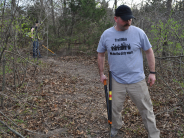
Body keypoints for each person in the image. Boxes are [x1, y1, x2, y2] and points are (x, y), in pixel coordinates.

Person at [97, 5, 160, 138]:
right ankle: (115, 126)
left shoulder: (139, 33)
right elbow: (101, 54)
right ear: (116, 18)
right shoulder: (106, 35)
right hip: (116, 80)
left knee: (146, 109)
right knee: (114, 108)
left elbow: (149, 51)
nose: (128, 22)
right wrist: (101, 73)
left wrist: (152, 72)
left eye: (130, 19)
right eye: (125, 19)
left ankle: (153, 134)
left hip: (137, 79)